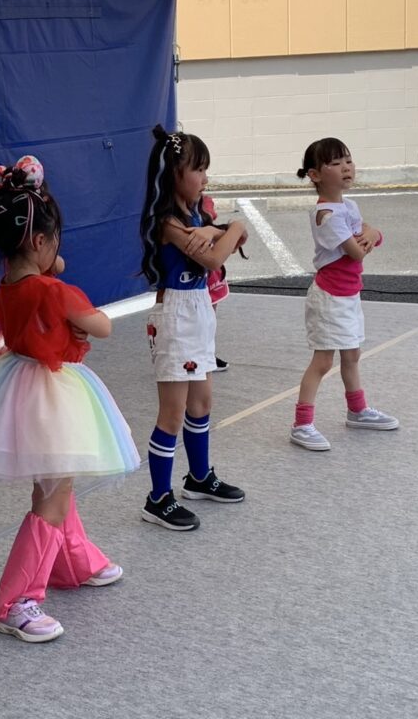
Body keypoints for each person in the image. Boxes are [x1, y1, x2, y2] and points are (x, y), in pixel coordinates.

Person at [0, 155, 140, 643]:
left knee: (56, 483)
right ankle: (14, 602)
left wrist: (49, 267)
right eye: (55, 240)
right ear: (39, 241)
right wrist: (68, 293)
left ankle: (72, 561)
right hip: (54, 395)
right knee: (52, 495)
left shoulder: (10, 283)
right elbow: (102, 326)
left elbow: (39, 288)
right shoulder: (54, 291)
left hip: (19, 390)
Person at [138, 125, 249, 531]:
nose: (204, 177)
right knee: (172, 414)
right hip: (176, 318)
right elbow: (215, 258)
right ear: (173, 175)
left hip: (199, 311)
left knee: (201, 404)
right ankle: (157, 499)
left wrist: (216, 230)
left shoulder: (197, 217)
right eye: (197, 169)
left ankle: (199, 477)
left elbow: (230, 240)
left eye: (205, 169)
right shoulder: (168, 222)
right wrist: (230, 228)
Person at [289, 138, 398, 452]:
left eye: (348, 161)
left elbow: (368, 234)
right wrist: (371, 234)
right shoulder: (326, 214)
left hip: (349, 295)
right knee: (323, 362)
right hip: (329, 299)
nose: (346, 168)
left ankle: (357, 410)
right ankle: (302, 424)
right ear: (315, 175)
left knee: (352, 355)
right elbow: (357, 251)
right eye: (335, 164)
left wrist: (372, 233)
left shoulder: (348, 206)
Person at [200, 194, 231, 372]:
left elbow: (209, 218)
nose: (204, 181)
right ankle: (201, 353)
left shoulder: (205, 201)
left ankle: (208, 352)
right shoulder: (171, 216)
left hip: (208, 266)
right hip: (189, 273)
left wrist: (233, 229)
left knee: (211, 312)